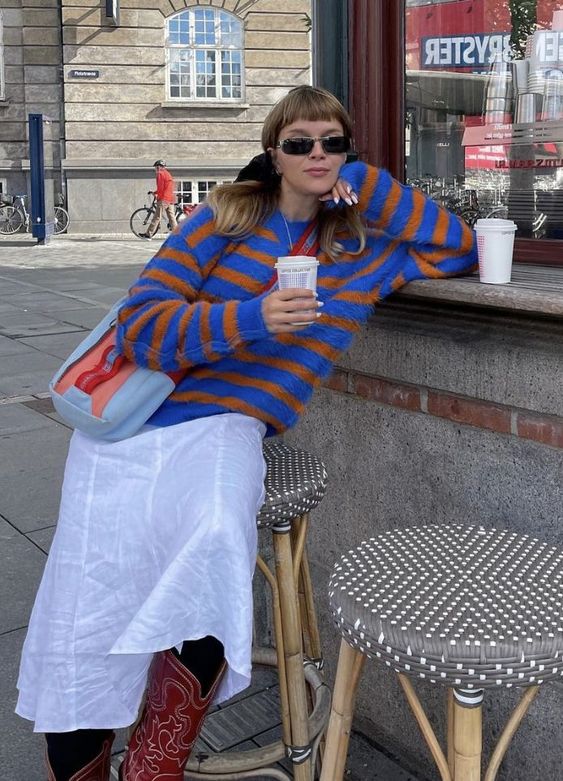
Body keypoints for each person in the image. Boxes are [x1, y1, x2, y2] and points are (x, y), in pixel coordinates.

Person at [16, 86, 477, 781]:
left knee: (214, 543)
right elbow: (141, 327)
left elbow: (458, 247)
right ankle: (80, 757)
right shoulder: (222, 218)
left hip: (227, 423)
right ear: (273, 153)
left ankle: (153, 764)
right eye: (299, 144)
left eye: (333, 144)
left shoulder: (365, 249)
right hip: (132, 427)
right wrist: (252, 317)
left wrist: (365, 188)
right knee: (91, 596)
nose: (316, 155)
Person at [139, 159, 177, 240]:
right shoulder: (167, 174)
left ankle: (148, 235)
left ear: (159, 167)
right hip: (170, 198)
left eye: (156, 167)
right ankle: (178, 235)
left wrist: (155, 193)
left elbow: (160, 188)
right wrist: (156, 192)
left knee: (156, 217)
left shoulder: (160, 174)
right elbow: (165, 187)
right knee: (172, 218)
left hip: (164, 199)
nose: (155, 169)